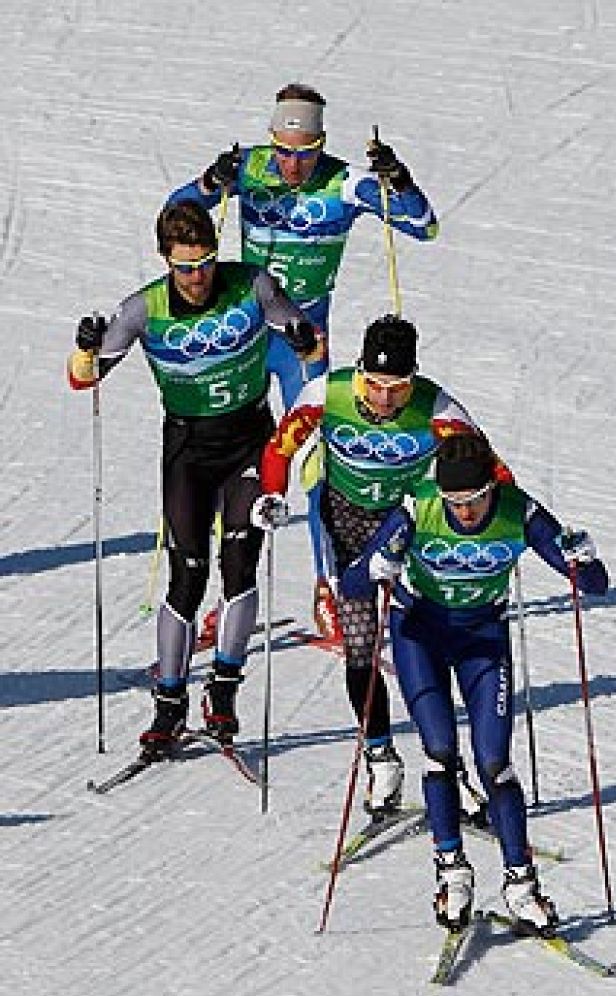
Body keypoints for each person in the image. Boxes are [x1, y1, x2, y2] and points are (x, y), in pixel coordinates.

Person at [168, 82, 441, 638]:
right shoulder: (248, 168)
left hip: (304, 343)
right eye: (285, 152)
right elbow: (178, 215)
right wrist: (209, 183)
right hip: (243, 340)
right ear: (272, 141)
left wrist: (400, 181)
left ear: (321, 145)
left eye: (305, 153)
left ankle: (330, 589)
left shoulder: (343, 183)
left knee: (316, 462)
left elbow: (424, 225)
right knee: (230, 462)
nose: (293, 164)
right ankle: (228, 595)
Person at [68, 201, 321, 755]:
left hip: (253, 442)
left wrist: (305, 339)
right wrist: (86, 347)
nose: (198, 276)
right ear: (166, 261)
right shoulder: (144, 309)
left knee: (240, 567)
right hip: (188, 449)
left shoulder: (250, 284)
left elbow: (307, 335)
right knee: (187, 577)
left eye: (205, 262)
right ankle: (169, 704)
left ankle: (224, 693)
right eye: (185, 267)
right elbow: (81, 379)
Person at [340, 434, 608, 934]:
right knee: (439, 751)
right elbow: (351, 585)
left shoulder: (519, 512)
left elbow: (594, 586)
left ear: (493, 486)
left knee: (495, 763)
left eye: (474, 499)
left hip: (482, 640)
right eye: (454, 502)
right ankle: (452, 872)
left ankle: (522, 885)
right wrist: (377, 568)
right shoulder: (417, 508)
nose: (464, 512)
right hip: (419, 635)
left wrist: (584, 560)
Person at [251, 314, 501, 815]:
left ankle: (451, 770)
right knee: (360, 649)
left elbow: (490, 472)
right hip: (346, 530)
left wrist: (511, 525)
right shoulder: (329, 393)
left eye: (398, 388)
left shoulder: (439, 409)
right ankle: (380, 754)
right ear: (360, 370)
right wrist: (271, 494)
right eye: (376, 384)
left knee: (427, 647)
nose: (385, 399)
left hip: (408, 529)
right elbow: (280, 447)